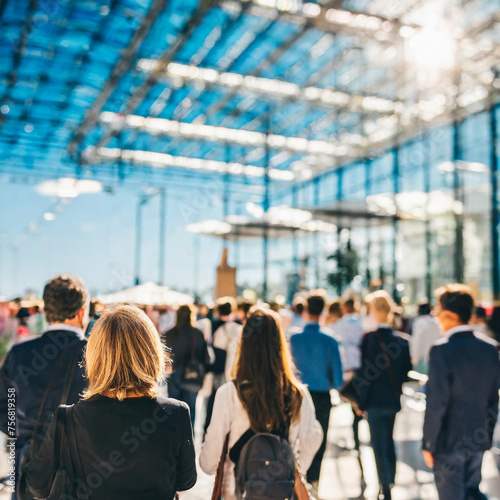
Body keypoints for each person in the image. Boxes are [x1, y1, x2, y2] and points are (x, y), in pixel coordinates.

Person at [26, 304, 197, 500]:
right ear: (152, 354)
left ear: (95, 357)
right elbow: (186, 480)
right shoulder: (176, 413)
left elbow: (37, 486)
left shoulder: (67, 419)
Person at [200, 308, 323, 500]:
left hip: (236, 493)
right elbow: (309, 443)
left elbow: (208, 464)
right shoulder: (299, 395)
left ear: (244, 344)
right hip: (282, 492)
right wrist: (289, 469)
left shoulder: (229, 393)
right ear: (281, 345)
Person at [0, 274, 89, 500]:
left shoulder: (18, 353)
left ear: (47, 311)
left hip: (29, 468)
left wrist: (20, 434)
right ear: (81, 312)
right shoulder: (97, 356)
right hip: (81, 472)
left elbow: (4, 405)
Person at [422, 284, 500, 500]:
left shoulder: (441, 350)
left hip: (448, 442)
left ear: (448, 314)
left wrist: (428, 443)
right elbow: (494, 399)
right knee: (472, 493)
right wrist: (486, 435)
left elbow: (437, 403)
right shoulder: (490, 348)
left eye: (437, 312)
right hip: (478, 438)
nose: (436, 317)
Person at [356, 290, 412, 500]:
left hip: (373, 402)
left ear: (373, 311)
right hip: (392, 399)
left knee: (378, 444)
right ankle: (390, 479)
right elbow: (405, 372)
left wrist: (360, 402)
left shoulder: (369, 339)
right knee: (389, 440)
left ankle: (385, 486)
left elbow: (365, 375)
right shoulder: (402, 341)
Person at [289, 291, 343, 494]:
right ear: (323, 311)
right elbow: (337, 378)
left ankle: (297, 479)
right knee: (318, 438)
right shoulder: (330, 340)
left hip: (295, 395)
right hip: (321, 396)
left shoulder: (293, 339)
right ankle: (314, 481)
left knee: (293, 438)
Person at [163, 304, 210, 425]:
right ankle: (189, 439)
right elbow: (205, 358)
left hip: (173, 376)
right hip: (192, 376)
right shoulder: (197, 334)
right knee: (191, 412)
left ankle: (174, 438)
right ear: (191, 316)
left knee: (172, 410)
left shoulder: (169, 334)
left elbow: (163, 359)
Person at [331, 298, 365, 452]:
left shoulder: (339, 325)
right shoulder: (361, 323)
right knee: (357, 403)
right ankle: (356, 436)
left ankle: (355, 437)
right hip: (360, 367)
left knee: (351, 399)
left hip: (346, 367)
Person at [410, 300, 441, 374]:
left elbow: (417, 340)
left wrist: (414, 356)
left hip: (422, 358)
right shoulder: (436, 322)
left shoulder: (419, 322)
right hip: (436, 357)